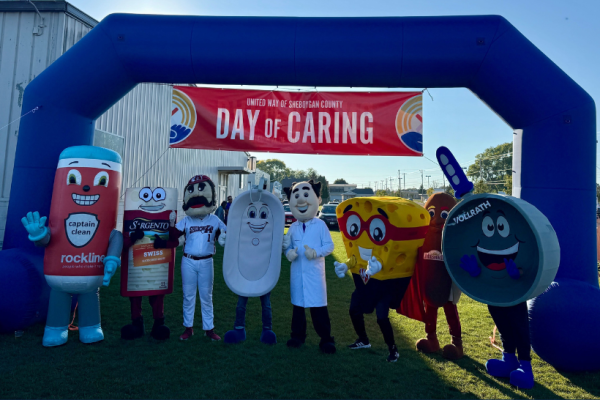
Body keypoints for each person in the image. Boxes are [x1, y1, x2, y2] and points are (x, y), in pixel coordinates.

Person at [154, 175, 226, 341]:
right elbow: (174, 235)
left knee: (206, 296)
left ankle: (209, 329)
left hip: (207, 260)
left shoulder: (214, 220)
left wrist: (225, 236)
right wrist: (171, 224)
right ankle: (188, 328)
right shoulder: (187, 220)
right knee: (188, 295)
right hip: (188, 261)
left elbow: (227, 233)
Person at [282, 180, 336, 354]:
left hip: (314, 274)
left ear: (318, 199)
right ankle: (297, 336)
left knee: (318, 308)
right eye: (296, 196)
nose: (301, 200)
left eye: (306, 195)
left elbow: (330, 246)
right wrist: (288, 253)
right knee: (298, 308)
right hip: (298, 273)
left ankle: (326, 339)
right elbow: (288, 246)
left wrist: (316, 252)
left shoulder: (320, 225)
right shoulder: (293, 227)